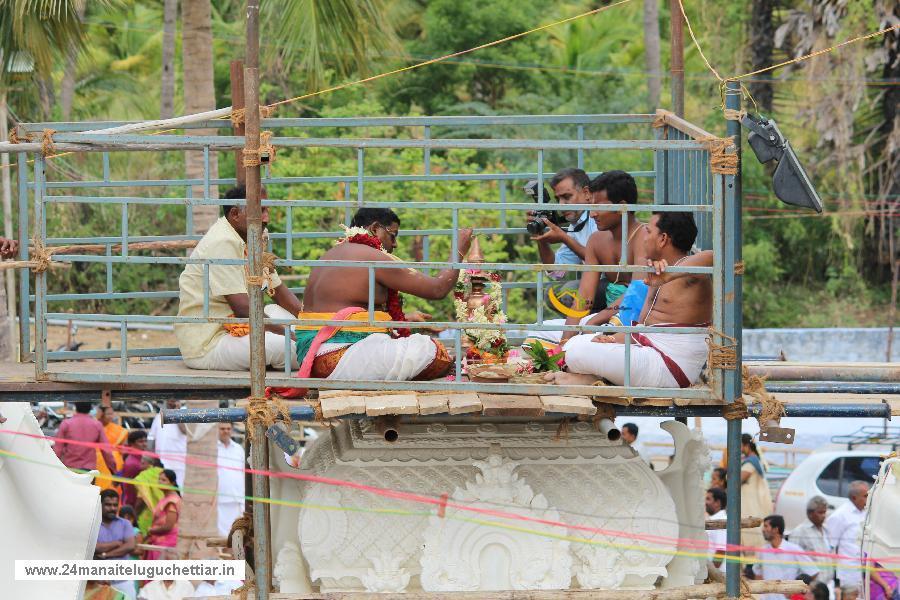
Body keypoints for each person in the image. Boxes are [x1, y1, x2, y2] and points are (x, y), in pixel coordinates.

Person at [281, 208, 471, 386]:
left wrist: (404, 320)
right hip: (337, 356)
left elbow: (346, 309)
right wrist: (459, 250)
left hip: (311, 356)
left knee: (411, 346)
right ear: (375, 229)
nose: (395, 244)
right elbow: (437, 289)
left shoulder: (331, 254)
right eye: (393, 235)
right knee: (430, 350)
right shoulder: (371, 257)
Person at [546, 212, 712, 388]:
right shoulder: (656, 271)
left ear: (663, 239)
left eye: (648, 232)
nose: (644, 238)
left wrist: (670, 274)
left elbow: (713, 256)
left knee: (575, 351)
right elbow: (642, 329)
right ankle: (591, 380)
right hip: (650, 353)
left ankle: (592, 378)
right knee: (577, 343)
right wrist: (612, 339)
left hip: (671, 368)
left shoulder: (692, 273)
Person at [175, 185, 303, 371]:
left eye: (267, 210)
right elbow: (244, 309)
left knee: (282, 313)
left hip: (241, 330)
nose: (266, 217)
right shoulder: (223, 242)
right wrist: (291, 335)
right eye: (260, 211)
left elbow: (278, 292)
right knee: (287, 347)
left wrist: (316, 323)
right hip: (211, 343)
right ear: (235, 214)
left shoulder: (255, 235)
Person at [529, 168, 600, 305]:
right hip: (593, 284)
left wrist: (564, 237)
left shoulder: (598, 217)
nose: (561, 205)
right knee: (551, 295)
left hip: (612, 284)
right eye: (558, 199)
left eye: (567, 197)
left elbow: (601, 261)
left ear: (586, 193)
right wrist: (541, 237)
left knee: (569, 291)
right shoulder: (576, 224)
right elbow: (555, 271)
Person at [752, 515, 819, 600]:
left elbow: (813, 572)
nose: (763, 530)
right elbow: (757, 573)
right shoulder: (763, 551)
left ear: (776, 529)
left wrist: (796, 590)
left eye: (766, 526)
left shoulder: (793, 549)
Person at [826, 480, 869, 591]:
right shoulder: (840, 515)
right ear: (854, 497)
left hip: (867, 570)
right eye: (865, 496)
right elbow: (829, 545)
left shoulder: (866, 512)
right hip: (849, 571)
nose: (868, 498)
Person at [94, 489, 136, 599]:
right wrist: (116, 543)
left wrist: (105, 555)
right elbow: (94, 548)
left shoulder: (125, 524)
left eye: (115, 505)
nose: (112, 508)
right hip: (98, 581)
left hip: (122, 580)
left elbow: (130, 546)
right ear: (100, 504)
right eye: (108, 505)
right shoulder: (93, 525)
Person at [54, 401, 117, 475]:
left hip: (70, 469)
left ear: (76, 407)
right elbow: (106, 450)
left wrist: (54, 469)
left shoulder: (66, 424)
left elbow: (58, 449)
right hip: (89, 471)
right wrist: (113, 470)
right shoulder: (96, 425)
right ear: (90, 409)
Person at [787, 496, 835, 589]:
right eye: (820, 512)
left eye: (824, 512)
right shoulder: (799, 532)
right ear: (810, 513)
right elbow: (792, 561)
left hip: (828, 585)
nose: (824, 515)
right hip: (812, 588)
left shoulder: (826, 530)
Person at [741, 433, 774, 552]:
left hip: (750, 503)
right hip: (754, 501)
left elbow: (736, 480)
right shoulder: (757, 460)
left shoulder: (750, 463)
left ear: (745, 446)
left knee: (750, 532)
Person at [148, 400, 187, 487]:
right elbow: (151, 437)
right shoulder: (159, 416)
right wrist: (151, 456)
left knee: (179, 489)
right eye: (169, 399)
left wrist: (177, 413)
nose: (172, 402)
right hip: (161, 462)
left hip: (178, 463)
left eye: (175, 399)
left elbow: (185, 430)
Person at [216, 422, 245, 537]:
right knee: (220, 538)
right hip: (219, 500)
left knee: (236, 535)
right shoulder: (213, 448)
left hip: (237, 499)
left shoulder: (238, 449)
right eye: (222, 428)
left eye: (228, 428)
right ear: (217, 430)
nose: (226, 431)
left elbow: (243, 472)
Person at [144, 469, 181, 560]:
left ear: (172, 483)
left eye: (164, 480)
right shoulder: (165, 499)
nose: (160, 482)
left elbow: (168, 526)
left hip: (167, 543)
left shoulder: (172, 501)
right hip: (158, 541)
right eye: (159, 479)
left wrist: (151, 531)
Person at [95, 406, 127, 493]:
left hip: (114, 463)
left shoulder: (119, 430)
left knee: (114, 489)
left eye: (112, 414)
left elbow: (122, 447)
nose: (111, 416)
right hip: (98, 463)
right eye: (108, 414)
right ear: (101, 414)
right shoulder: (94, 426)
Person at [133, 456, 165, 537]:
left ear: (147, 463)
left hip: (149, 514)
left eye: (141, 463)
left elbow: (141, 500)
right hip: (165, 512)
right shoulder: (163, 473)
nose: (139, 466)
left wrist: (134, 515)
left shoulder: (144, 476)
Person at [120, 430, 148, 507]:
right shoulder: (132, 463)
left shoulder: (141, 458)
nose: (144, 444)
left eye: (145, 441)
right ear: (132, 444)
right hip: (133, 502)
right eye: (140, 442)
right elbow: (129, 487)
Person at [705, 487, 728, 571]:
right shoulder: (713, 520)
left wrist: (713, 573)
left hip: (718, 574)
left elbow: (720, 551)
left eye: (708, 499)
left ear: (717, 503)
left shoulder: (721, 521)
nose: (705, 502)